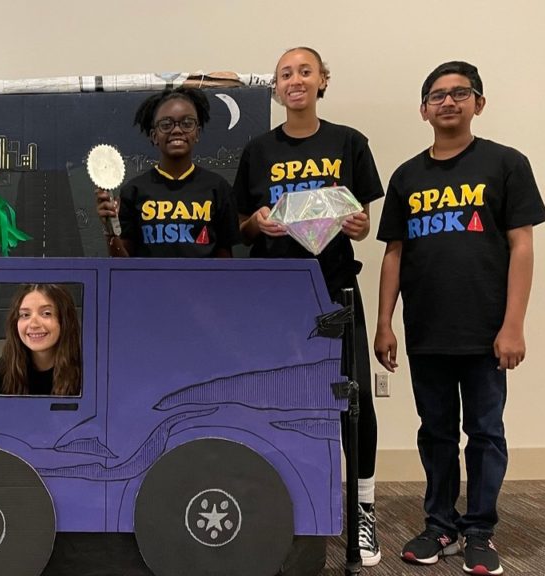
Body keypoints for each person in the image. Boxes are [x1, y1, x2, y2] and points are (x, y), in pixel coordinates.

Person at [375, 61, 545, 576]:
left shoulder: (505, 164)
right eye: (437, 95)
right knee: (435, 433)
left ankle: (480, 531)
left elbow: (522, 246)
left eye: (460, 93)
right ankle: (440, 525)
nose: (448, 102)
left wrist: (513, 324)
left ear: (479, 102)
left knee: (486, 432)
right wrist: (385, 321)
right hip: (426, 330)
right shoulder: (407, 175)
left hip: (486, 331)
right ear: (424, 109)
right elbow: (394, 253)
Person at [232, 46, 386, 567]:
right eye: (285, 74)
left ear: (323, 80)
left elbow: (361, 220)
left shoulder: (349, 142)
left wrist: (360, 226)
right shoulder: (256, 149)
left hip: (335, 288)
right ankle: (275, 500)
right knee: (272, 397)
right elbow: (241, 225)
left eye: (305, 71)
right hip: (272, 295)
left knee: (354, 397)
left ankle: (362, 509)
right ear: (275, 89)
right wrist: (257, 222)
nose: (295, 80)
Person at [95, 86, 239, 258]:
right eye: (166, 124)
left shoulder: (218, 188)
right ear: (154, 136)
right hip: (148, 285)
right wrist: (110, 230)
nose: (177, 130)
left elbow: (225, 261)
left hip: (202, 285)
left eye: (187, 123)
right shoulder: (133, 191)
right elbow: (122, 267)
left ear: (197, 133)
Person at [0, 284, 82, 396]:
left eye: (46, 313)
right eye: (25, 315)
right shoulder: (3, 372)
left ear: (65, 320)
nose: (33, 324)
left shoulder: (90, 371)